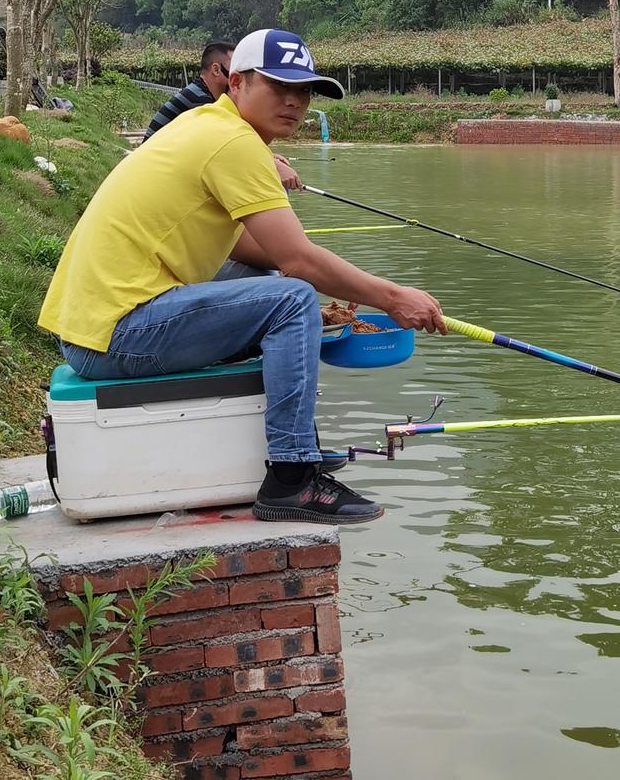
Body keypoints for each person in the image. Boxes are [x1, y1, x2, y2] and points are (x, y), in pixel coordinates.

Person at [38, 28, 446, 525]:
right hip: (115, 333)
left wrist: (309, 278)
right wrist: (392, 297)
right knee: (292, 299)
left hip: (90, 326)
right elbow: (301, 264)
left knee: (271, 277)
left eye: (304, 91)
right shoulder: (235, 143)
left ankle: (299, 442)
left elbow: (255, 251)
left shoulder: (207, 126)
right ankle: (292, 480)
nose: (294, 102)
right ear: (236, 83)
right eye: (279, 86)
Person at [145, 41, 301, 191]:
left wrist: (268, 156)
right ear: (216, 70)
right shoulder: (200, 102)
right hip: (157, 173)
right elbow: (224, 147)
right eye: (236, 68)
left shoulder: (206, 97)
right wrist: (272, 164)